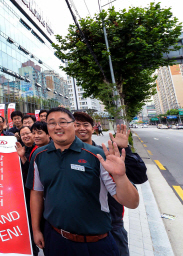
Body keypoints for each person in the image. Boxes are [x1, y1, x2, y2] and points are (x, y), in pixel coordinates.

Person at [27, 107, 139, 256]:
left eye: (63, 122)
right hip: (55, 239)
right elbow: (36, 192)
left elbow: (132, 203)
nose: (58, 127)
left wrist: (120, 176)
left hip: (96, 243)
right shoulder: (39, 155)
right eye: (52, 123)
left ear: (73, 125)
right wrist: (36, 230)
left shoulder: (97, 155)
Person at [74, 112, 147, 256]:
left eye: (85, 124)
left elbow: (140, 177)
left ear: (93, 127)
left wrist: (124, 149)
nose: (81, 128)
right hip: (78, 226)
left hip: (111, 224)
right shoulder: (66, 158)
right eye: (77, 125)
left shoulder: (107, 154)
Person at [15, 125, 38, 256]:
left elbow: (33, 173)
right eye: (22, 135)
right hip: (24, 194)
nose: (25, 136)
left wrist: (23, 158)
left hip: (36, 195)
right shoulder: (25, 149)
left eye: (27, 133)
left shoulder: (38, 149)